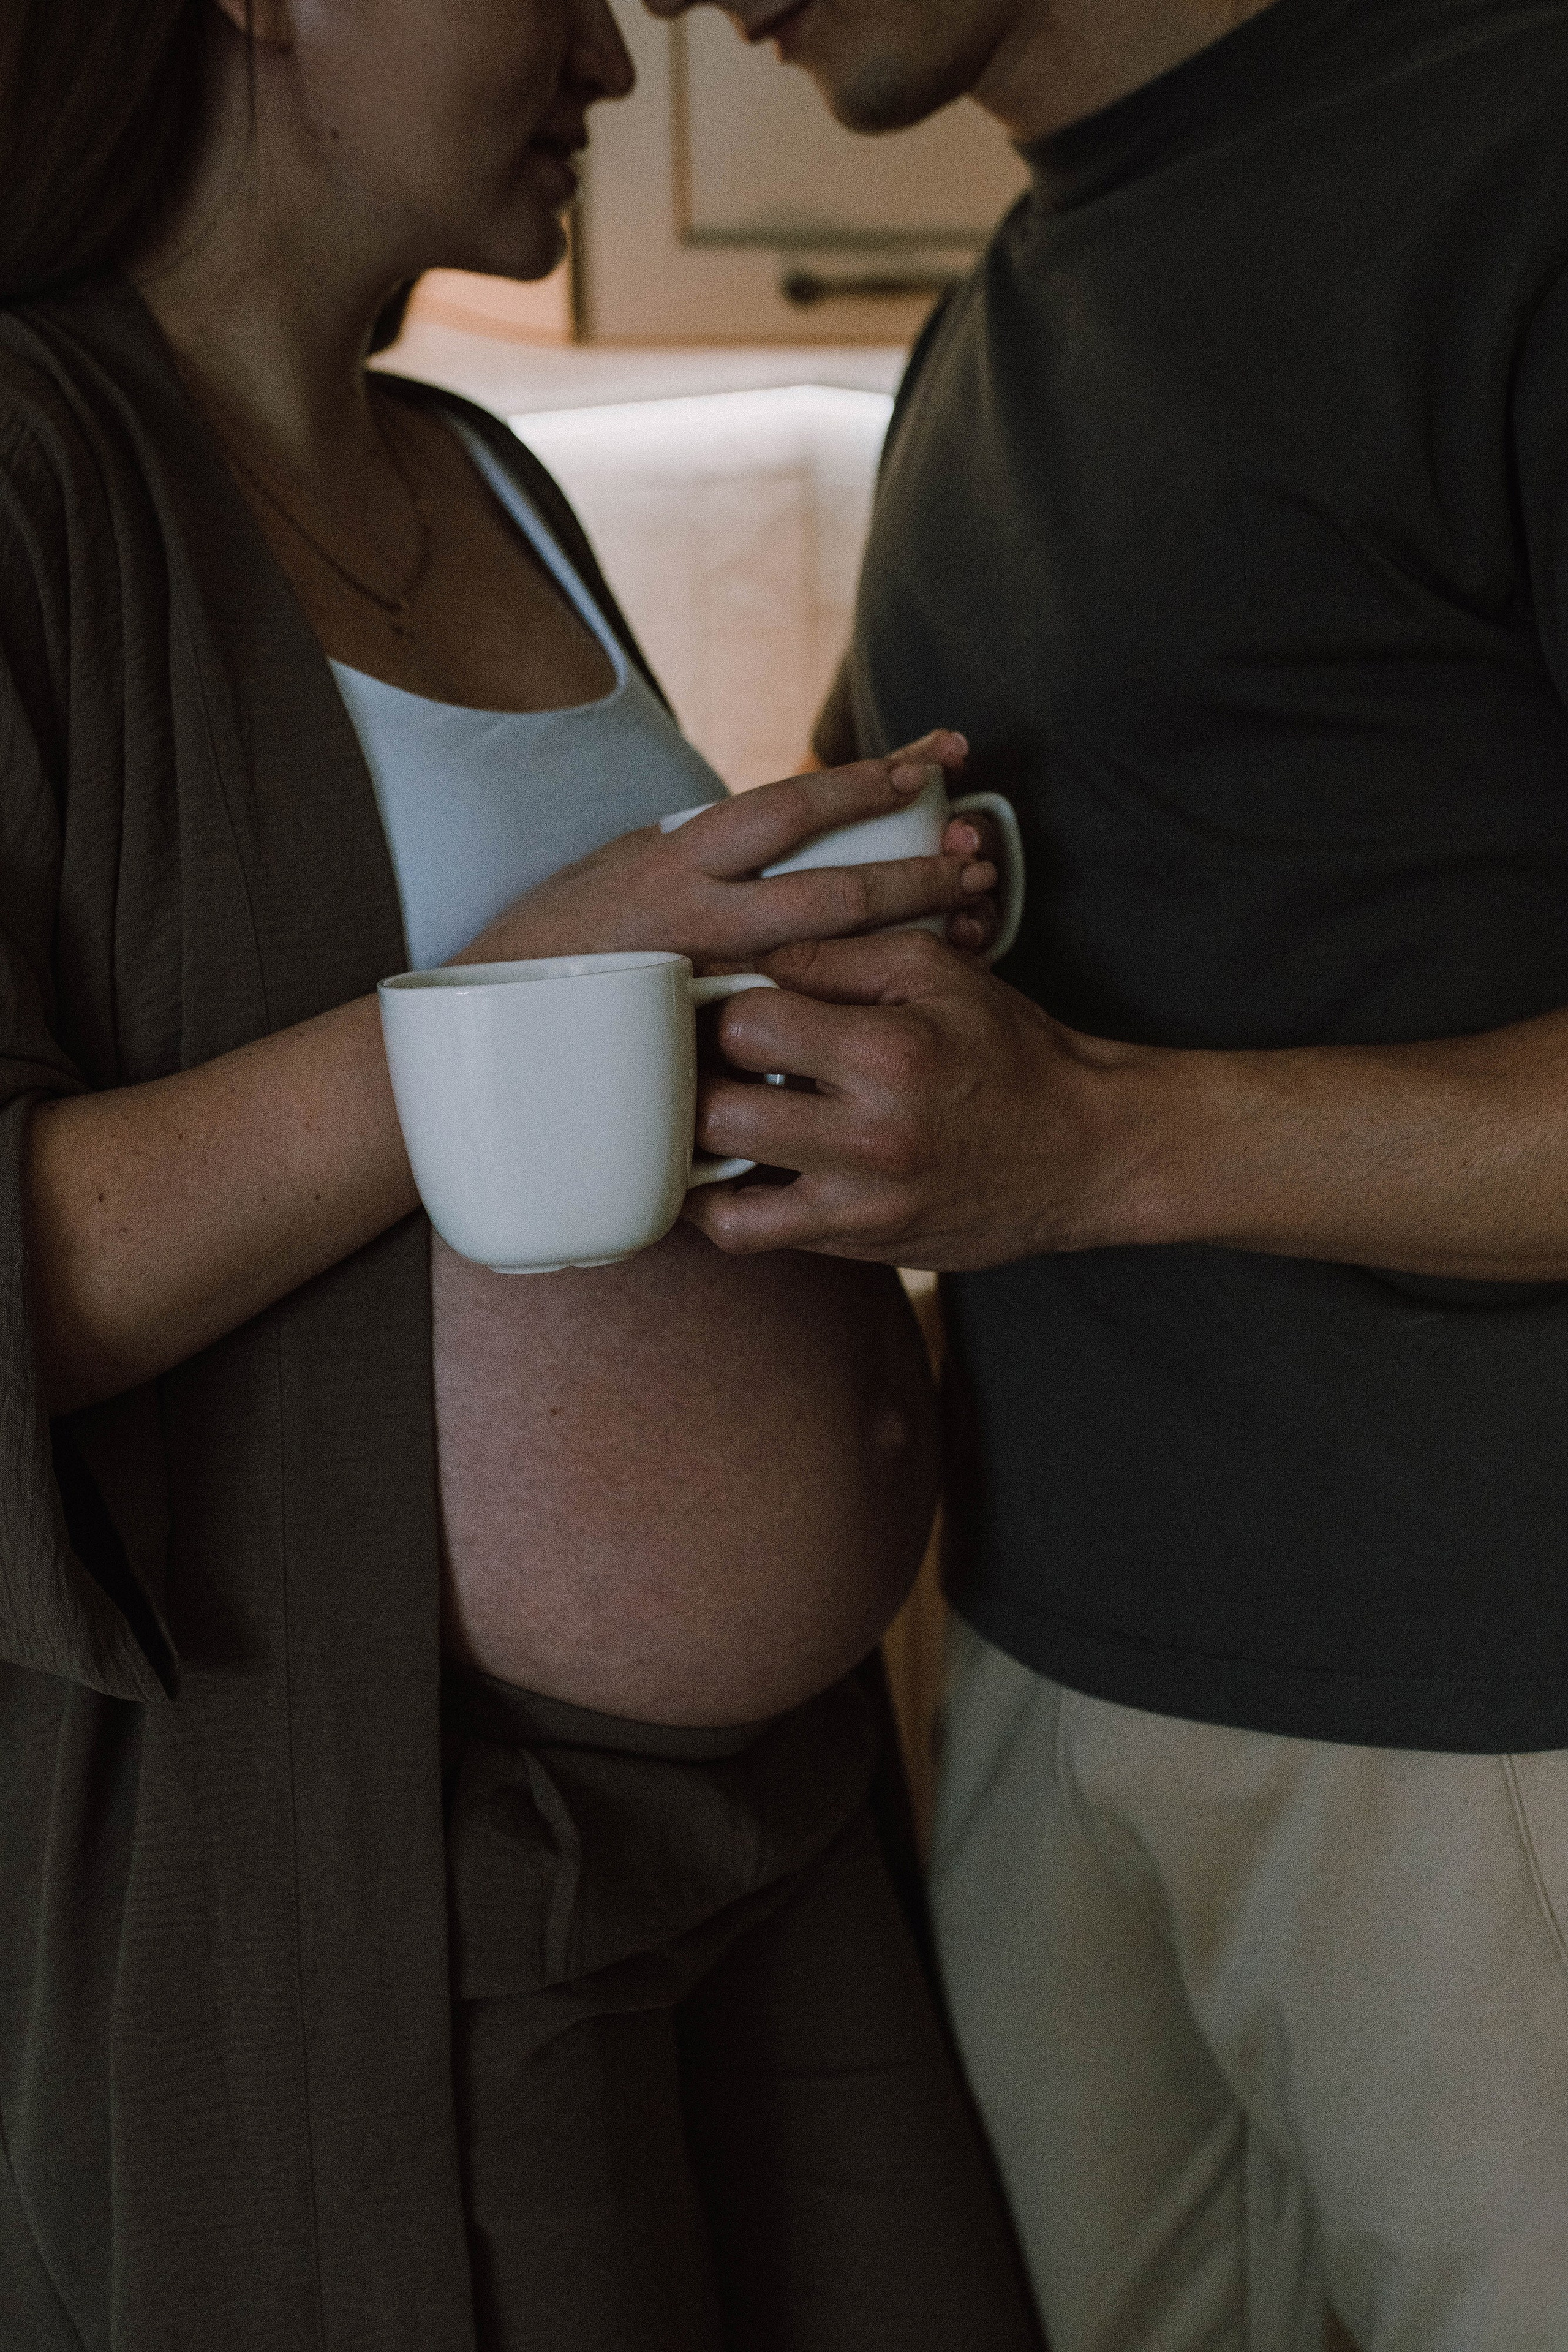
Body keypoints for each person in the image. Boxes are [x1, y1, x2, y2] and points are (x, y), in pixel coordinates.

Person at [0, 3, 1049, 2347]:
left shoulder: (475, 468)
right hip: (394, 1878)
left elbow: (614, 1023)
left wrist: (818, 969)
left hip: (785, 1818)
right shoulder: (32, 474)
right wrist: (539, 984)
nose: (612, 48)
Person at [647, 0, 1568, 2345]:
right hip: (1049, 1674)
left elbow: (1078, 1118)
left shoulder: (1510, 157)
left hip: (1483, 1722)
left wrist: (1096, 1143)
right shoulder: (1004, 294)